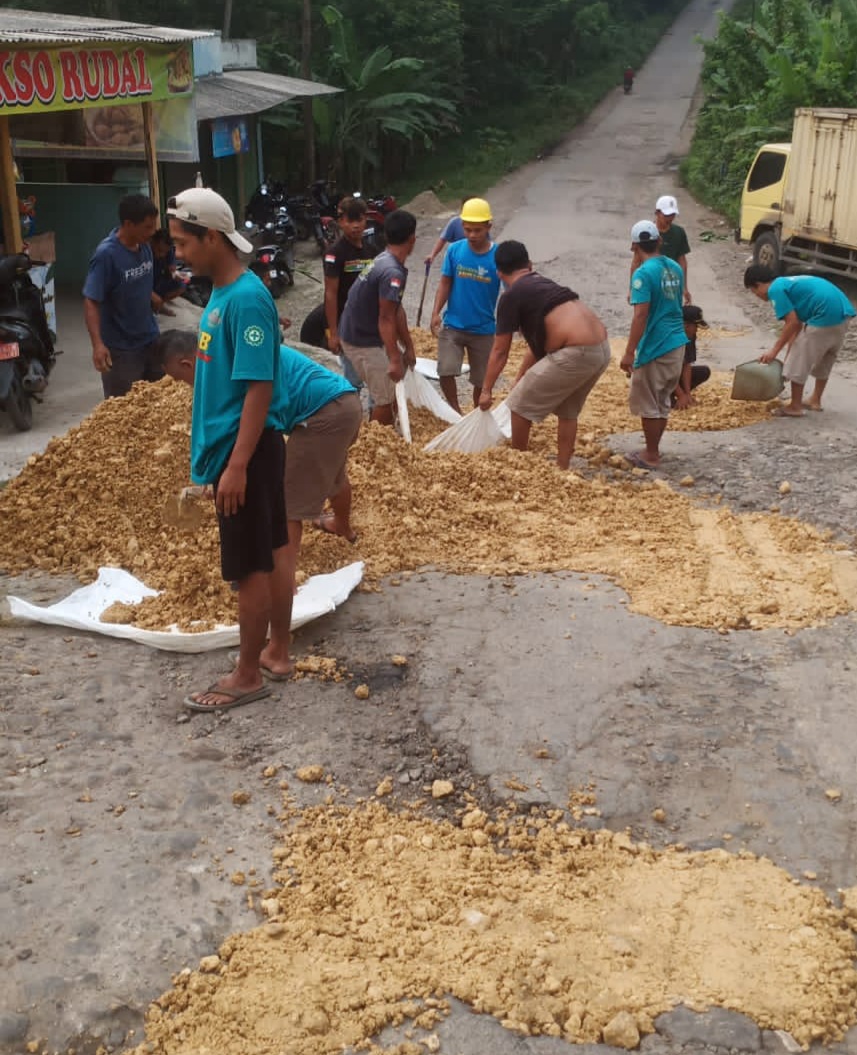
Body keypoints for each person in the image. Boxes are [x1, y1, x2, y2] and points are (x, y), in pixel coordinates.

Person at [156, 330, 363, 677]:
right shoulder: (237, 353)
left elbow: (251, 423)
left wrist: (230, 470)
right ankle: (341, 526)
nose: (189, 386)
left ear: (186, 362)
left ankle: (284, 587)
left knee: (290, 507)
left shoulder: (229, 368)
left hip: (322, 415)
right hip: (344, 404)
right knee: (331, 475)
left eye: (183, 379)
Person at [167, 187, 287, 714]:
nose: (178, 253)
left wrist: (237, 464)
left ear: (211, 237)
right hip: (233, 453)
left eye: (183, 243)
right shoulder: (219, 293)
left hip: (250, 454)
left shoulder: (246, 298)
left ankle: (245, 675)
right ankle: (263, 655)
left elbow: (259, 386)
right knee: (254, 560)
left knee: (250, 565)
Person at [478, 240, 610, 469]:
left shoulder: (511, 296)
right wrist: (520, 377)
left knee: (518, 405)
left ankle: (520, 464)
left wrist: (486, 390)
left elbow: (500, 351)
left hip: (575, 352)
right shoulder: (542, 284)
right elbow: (536, 344)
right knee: (568, 410)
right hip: (601, 349)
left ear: (499, 273)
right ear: (529, 265)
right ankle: (562, 468)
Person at [339, 209, 418, 427]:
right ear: (412, 239)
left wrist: (408, 346)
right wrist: (394, 359)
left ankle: (386, 433)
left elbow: (396, 309)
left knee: (390, 392)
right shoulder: (392, 271)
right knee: (384, 398)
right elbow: (386, 318)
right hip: (360, 339)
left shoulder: (384, 258)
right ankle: (374, 447)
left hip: (360, 332)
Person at [744, 265, 855, 415]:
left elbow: (792, 322)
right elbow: (796, 327)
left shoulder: (775, 289)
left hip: (823, 315)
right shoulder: (788, 282)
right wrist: (789, 356)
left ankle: (795, 407)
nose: (757, 295)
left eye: (753, 291)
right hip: (842, 314)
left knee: (799, 360)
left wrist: (774, 352)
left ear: (758, 284)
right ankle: (815, 400)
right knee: (825, 357)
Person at [620, 219, 686, 469]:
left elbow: (640, 314)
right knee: (661, 401)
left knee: (648, 403)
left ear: (635, 246)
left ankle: (651, 454)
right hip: (676, 341)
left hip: (656, 344)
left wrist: (629, 353)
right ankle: (653, 449)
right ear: (659, 240)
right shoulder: (674, 268)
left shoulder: (643, 274)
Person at [83, 193, 162, 398]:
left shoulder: (144, 245)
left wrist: (150, 294)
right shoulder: (106, 255)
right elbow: (91, 301)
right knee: (124, 409)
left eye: (154, 226)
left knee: (159, 401)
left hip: (150, 338)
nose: (152, 232)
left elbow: (132, 278)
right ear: (128, 224)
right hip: (121, 349)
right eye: (147, 227)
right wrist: (98, 345)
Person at [299, 196, 378, 392]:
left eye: (359, 220)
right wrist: (333, 333)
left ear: (365, 221)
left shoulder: (371, 250)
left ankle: (374, 421)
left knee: (377, 379)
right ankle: (354, 420)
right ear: (341, 222)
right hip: (345, 325)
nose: (355, 226)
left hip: (368, 324)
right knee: (352, 381)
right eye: (350, 221)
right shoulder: (335, 253)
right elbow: (331, 294)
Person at [429, 197, 501, 413]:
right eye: (468, 229)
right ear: (461, 226)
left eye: (477, 230)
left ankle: (477, 414)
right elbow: (445, 283)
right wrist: (435, 313)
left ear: (489, 226)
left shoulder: (498, 256)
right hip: (453, 326)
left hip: (484, 329)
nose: (472, 235)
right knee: (446, 370)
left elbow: (510, 291)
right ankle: (455, 410)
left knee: (482, 381)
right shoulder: (455, 251)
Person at [654, 195, 691, 305]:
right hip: (652, 281)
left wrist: (684, 287)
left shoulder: (679, 232)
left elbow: (682, 260)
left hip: (672, 283)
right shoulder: (649, 232)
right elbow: (637, 260)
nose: (670, 218)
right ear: (657, 213)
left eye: (673, 215)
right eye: (667, 215)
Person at [673, 304, 711, 409]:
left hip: (672, 374)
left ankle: (674, 394)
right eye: (696, 327)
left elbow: (686, 364)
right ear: (686, 325)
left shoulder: (690, 336)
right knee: (667, 405)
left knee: (704, 371)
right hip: (655, 376)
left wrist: (687, 393)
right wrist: (680, 395)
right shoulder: (669, 338)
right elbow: (664, 371)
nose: (697, 330)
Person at [424, 197, 472, 268]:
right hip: (457, 259)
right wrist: (433, 255)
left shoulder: (481, 226)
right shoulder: (455, 222)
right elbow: (442, 239)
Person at [248, 261, 292, 335]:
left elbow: (266, 312)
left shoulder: (257, 296)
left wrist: (279, 320)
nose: (270, 284)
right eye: (268, 280)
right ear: (258, 280)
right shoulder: (254, 302)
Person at [150, 228, 185, 314]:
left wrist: (175, 274)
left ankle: (159, 305)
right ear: (152, 242)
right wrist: (150, 294)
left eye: (165, 252)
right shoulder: (144, 252)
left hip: (157, 282)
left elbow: (172, 270)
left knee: (181, 286)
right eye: (159, 250)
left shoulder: (169, 250)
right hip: (144, 286)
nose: (162, 255)